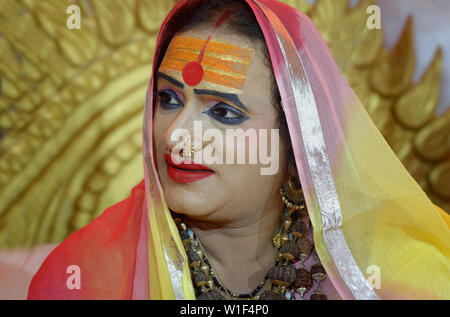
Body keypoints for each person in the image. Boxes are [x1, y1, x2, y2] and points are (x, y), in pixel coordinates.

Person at [26, 0, 449, 300]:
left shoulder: (392, 273)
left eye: (224, 112)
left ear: (295, 139)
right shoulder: (82, 279)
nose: (177, 135)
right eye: (169, 99)